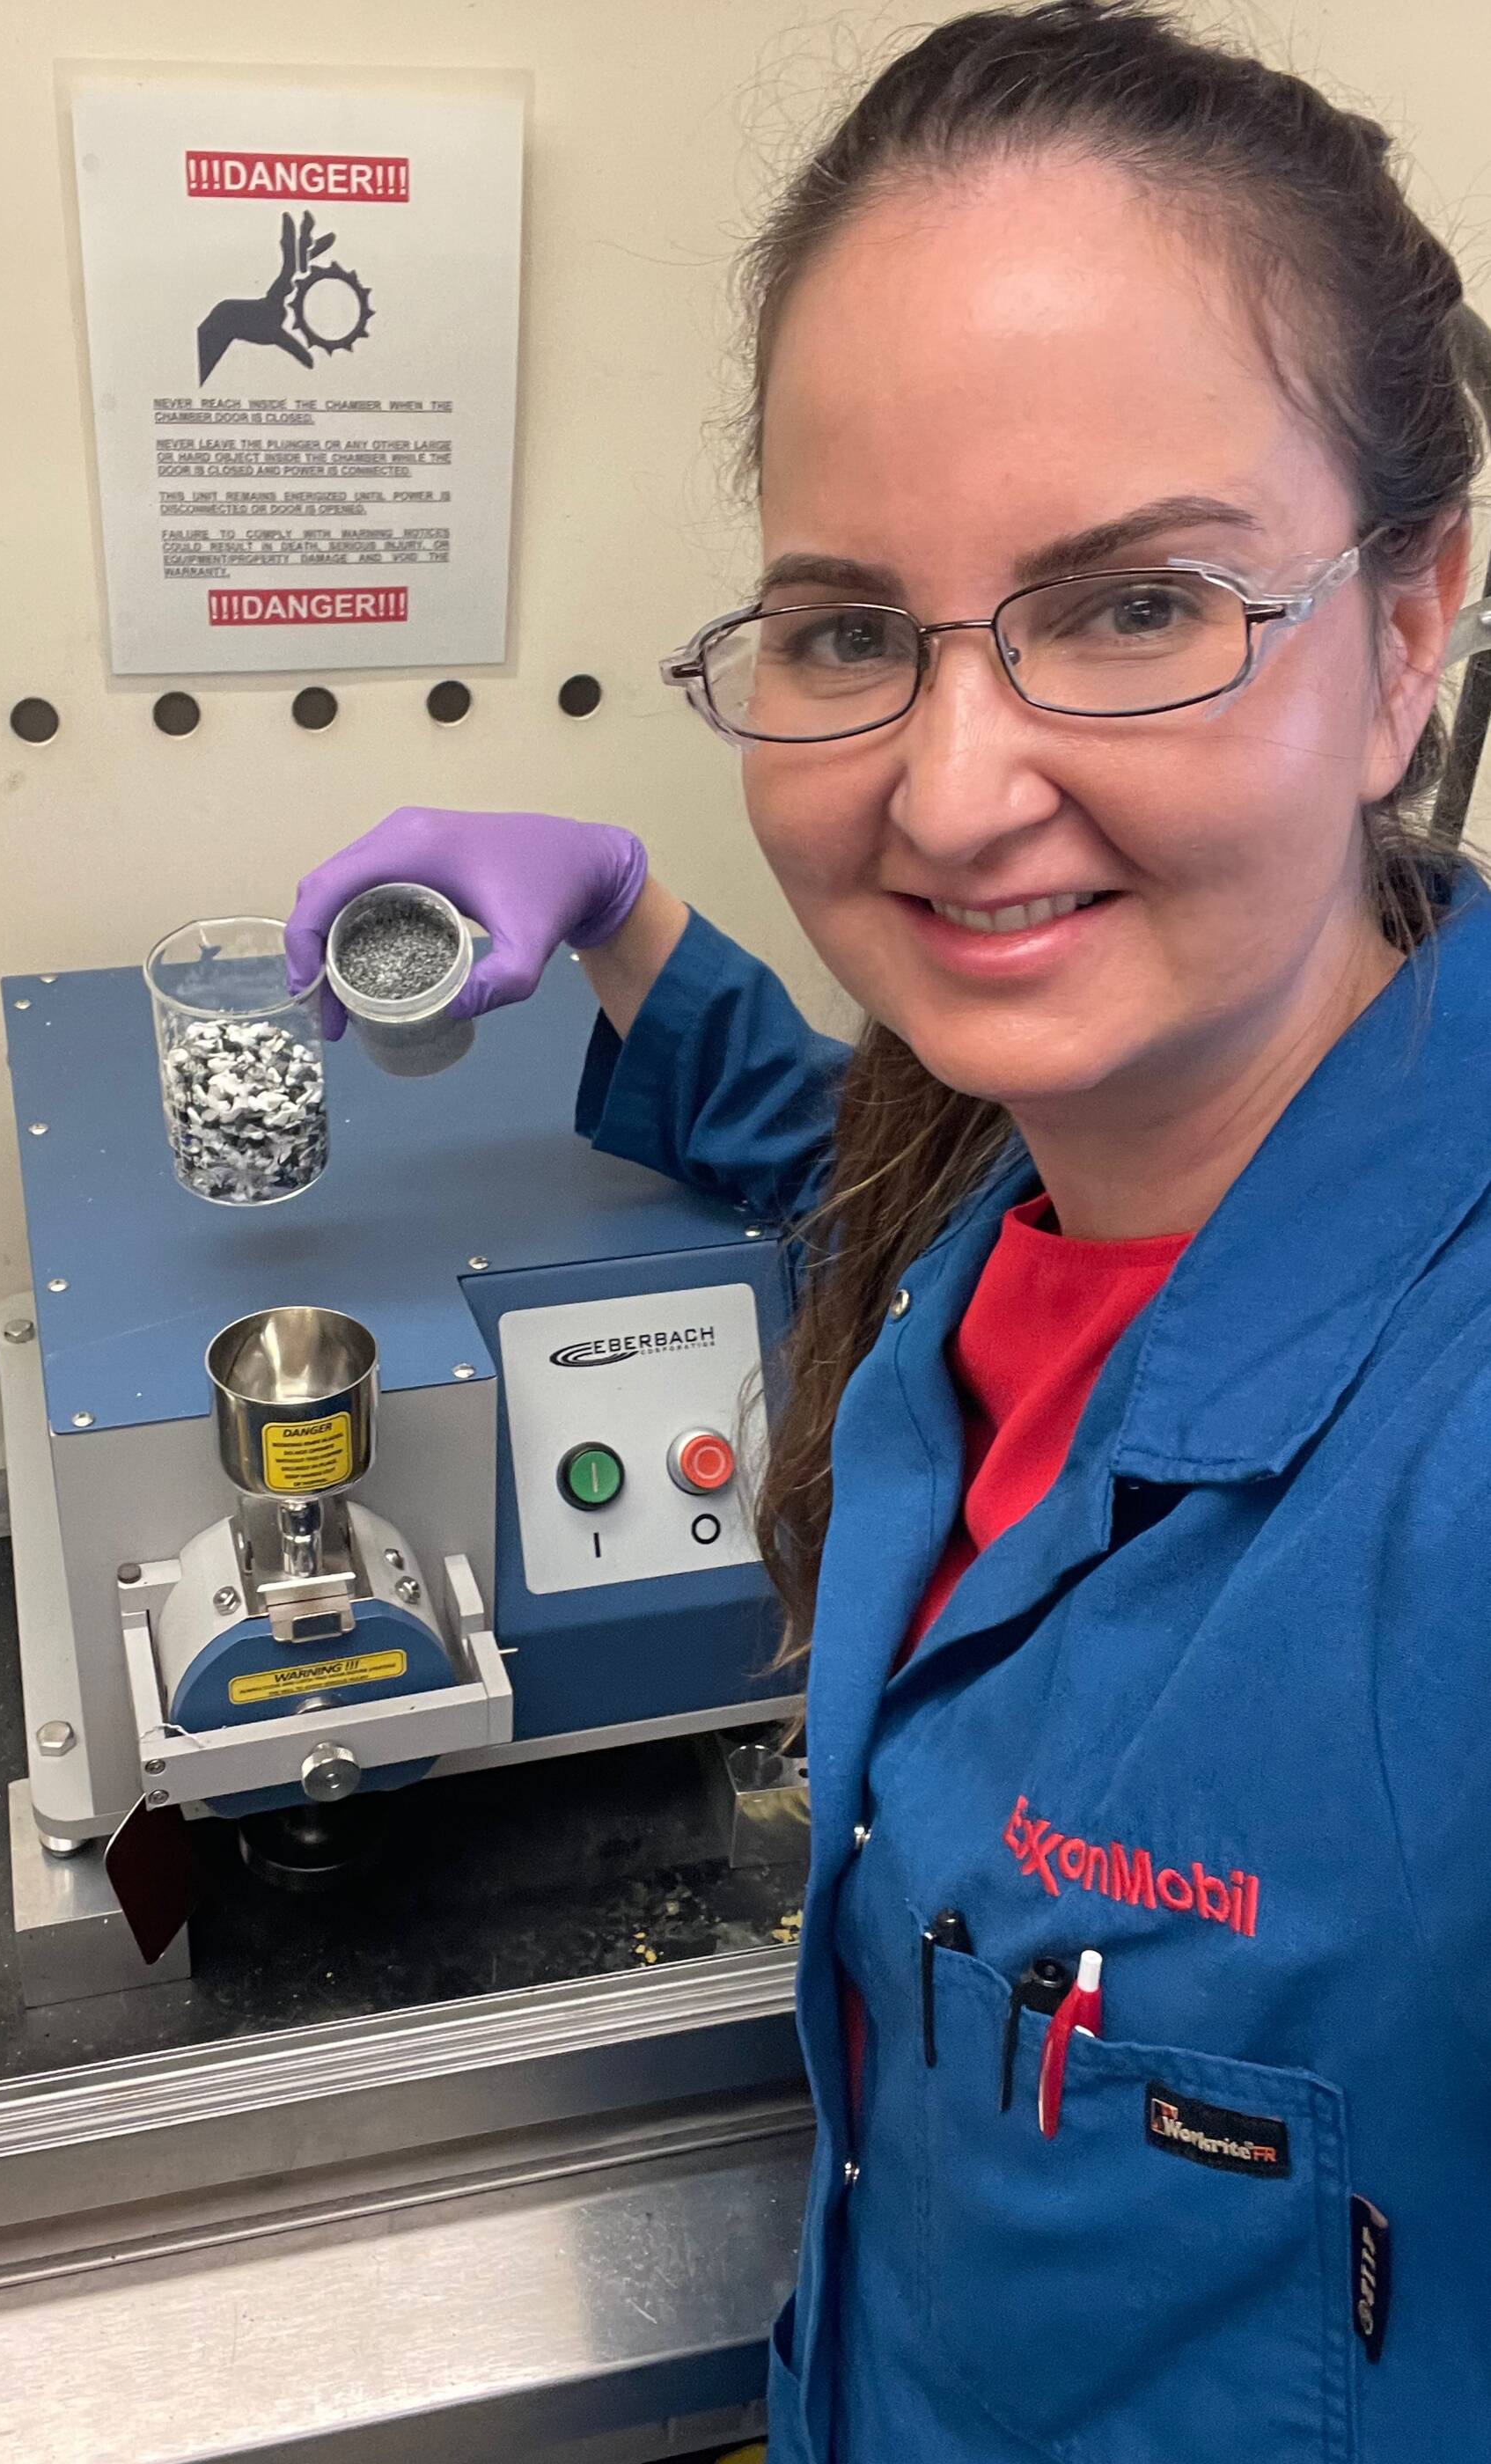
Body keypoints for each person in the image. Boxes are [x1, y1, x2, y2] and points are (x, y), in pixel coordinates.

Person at [286, 6, 1491, 2454]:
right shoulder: (1004, 1179)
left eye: (1131, 603)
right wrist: (619, 918)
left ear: (1401, 628)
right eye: (846, 632)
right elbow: (842, 1138)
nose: (946, 794)